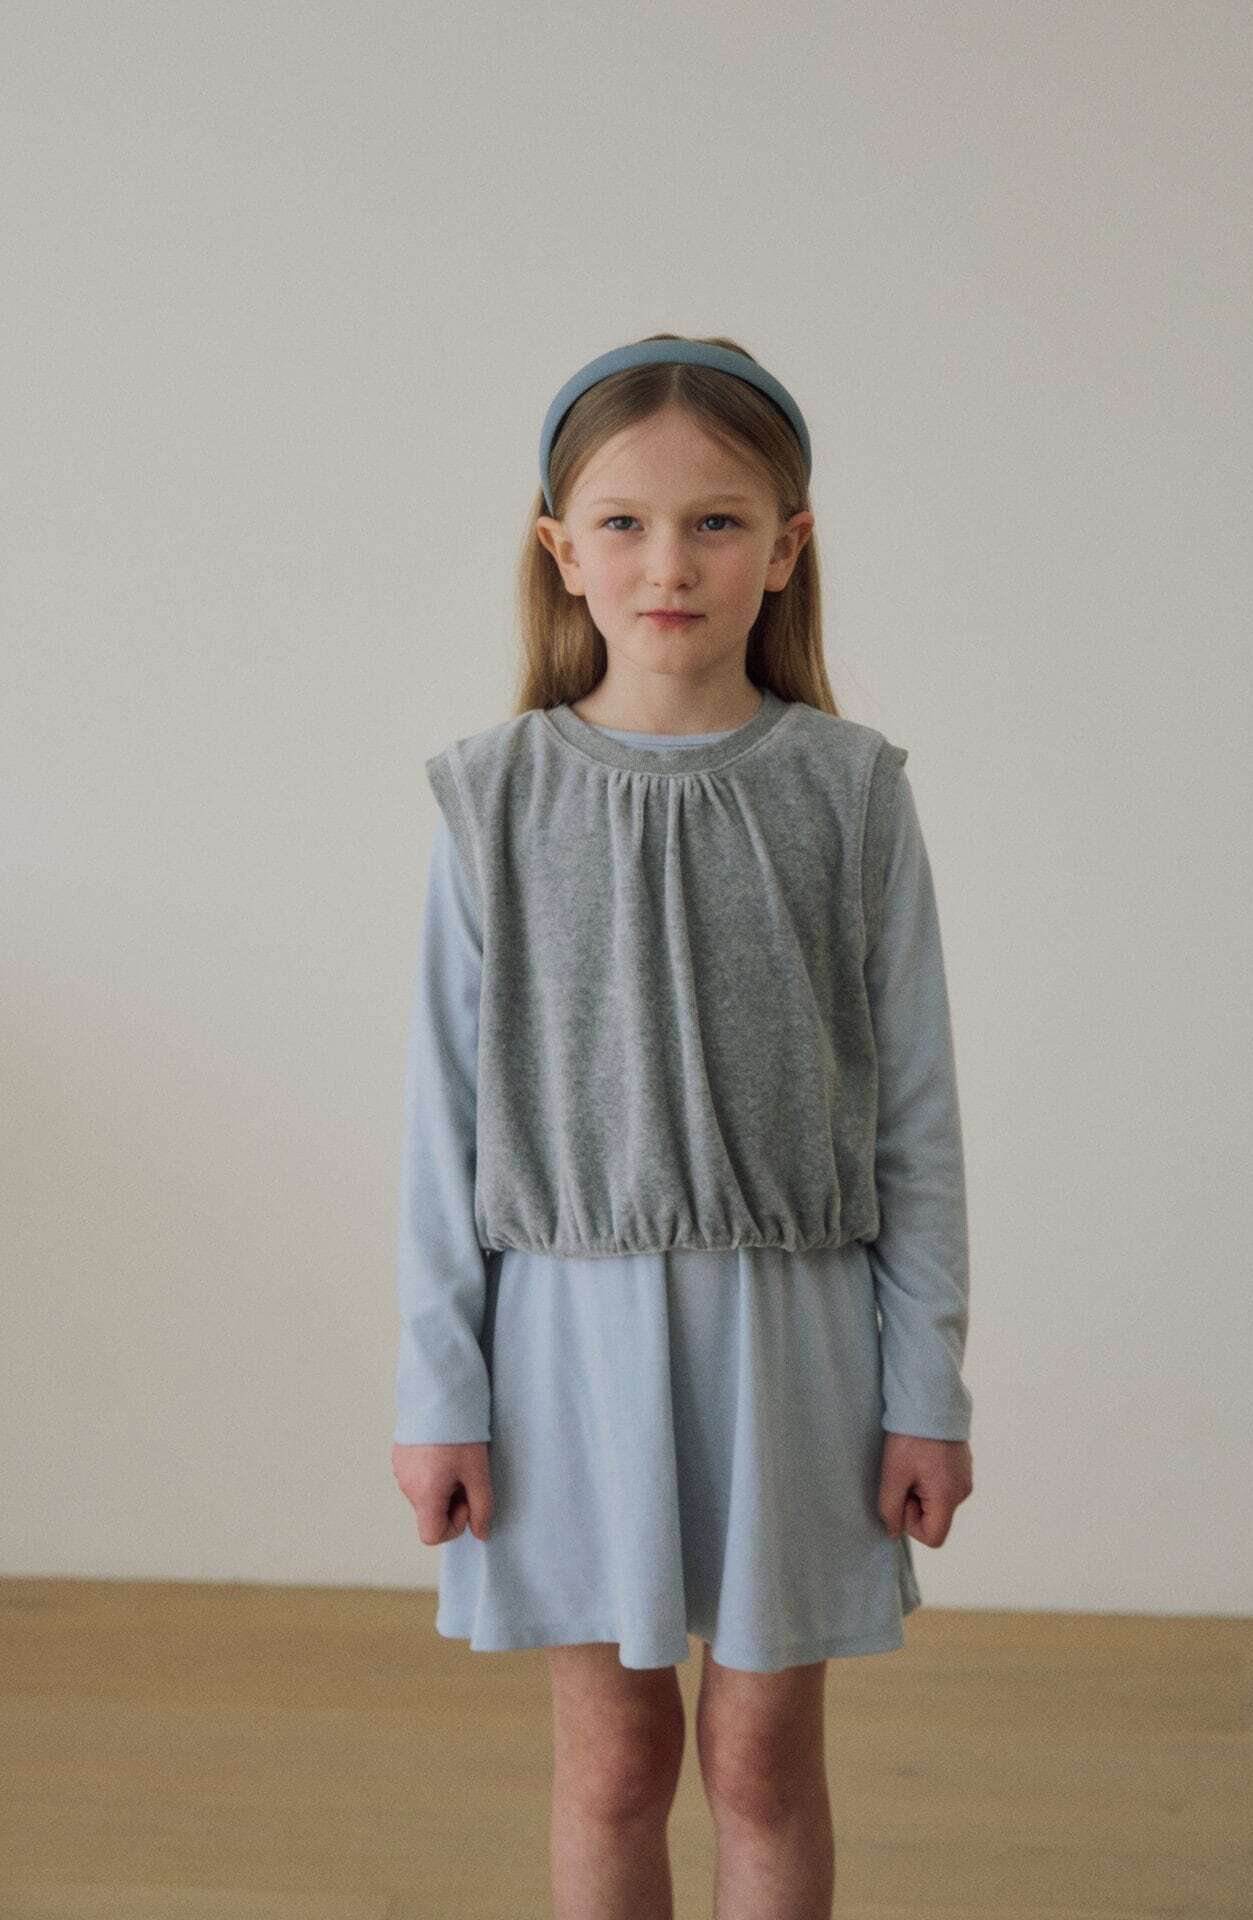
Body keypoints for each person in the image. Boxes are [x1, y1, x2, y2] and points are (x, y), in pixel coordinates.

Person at [390, 333, 974, 1919]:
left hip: (795, 1352)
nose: (669, 563)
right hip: (564, 1354)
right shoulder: (495, 798)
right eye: (626, 522)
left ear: (786, 547)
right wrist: (441, 1391)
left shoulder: (849, 792)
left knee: (764, 1764)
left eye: (718, 521)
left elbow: (915, 1116)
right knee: (613, 1765)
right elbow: (445, 1124)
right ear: (560, 548)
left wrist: (925, 1388)